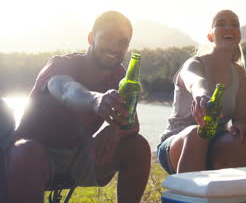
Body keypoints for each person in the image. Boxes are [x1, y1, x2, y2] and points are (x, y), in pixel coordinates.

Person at [5, 11, 151, 203]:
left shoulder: (120, 74)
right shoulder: (60, 65)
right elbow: (66, 90)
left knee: (137, 146)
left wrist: (115, 130)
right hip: (35, 154)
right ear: (91, 38)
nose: (115, 48)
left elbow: (131, 124)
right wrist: (96, 100)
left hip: (79, 154)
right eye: (107, 38)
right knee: (26, 151)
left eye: (122, 43)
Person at [157, 9, 246, 174]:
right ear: (210, 36)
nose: (228, 28)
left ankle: (237, 196)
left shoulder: (238, 73)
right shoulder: (194, 63)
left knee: (243, 139)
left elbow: (241, 120)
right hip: (177, 143)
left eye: (234, 25)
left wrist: (242, 127)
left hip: (216, 143)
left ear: (238, 36)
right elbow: (196, 81)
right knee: (196, 133)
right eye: (221, 24)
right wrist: (202, 96)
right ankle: (187, 196)